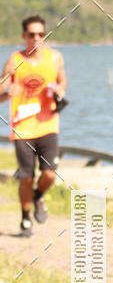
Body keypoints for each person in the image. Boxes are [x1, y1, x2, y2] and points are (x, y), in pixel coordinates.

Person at [0, 15, 67, 236]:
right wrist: (7, 94)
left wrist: (60, 91)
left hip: (48, 124)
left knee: (50, 174)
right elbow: (0, 91)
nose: (36, 38)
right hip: (23, 128)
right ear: (24, 36)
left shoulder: (55, 58)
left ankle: (38, 197)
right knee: (26, 177)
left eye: (41, 34)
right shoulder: (14, 60)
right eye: (31, 34)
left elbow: (62, 81)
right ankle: (25, 217)